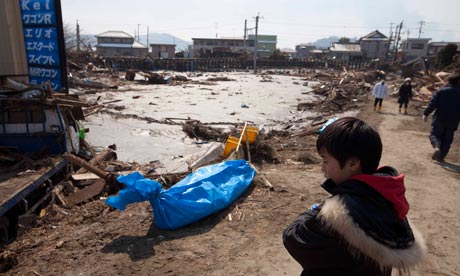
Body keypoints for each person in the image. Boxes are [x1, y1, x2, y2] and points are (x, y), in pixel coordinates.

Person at [283, 117, 425, 275]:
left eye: (326, 161)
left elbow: (292, 238)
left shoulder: (339, 214)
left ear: (352, 163)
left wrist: (314, 211)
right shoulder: (386, 197)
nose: (323, 169)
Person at [423, 74, 460, 162]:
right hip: (453, 120)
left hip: (439, 117)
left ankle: (436, 146)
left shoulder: (442, 91)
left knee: (435, 135)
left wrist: (426, 113)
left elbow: (433, 103)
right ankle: (441, 157)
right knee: (447, 139)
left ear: (449, 82)